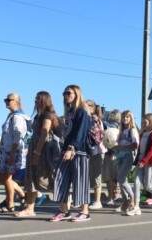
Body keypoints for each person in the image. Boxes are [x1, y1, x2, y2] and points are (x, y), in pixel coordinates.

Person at [15, 91, 60, 217]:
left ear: (44, 100)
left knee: (46, 178)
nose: (35, 100)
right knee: (32, 179)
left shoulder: (47, 115)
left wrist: (36, 152)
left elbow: (44, 134)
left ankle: (65, 203)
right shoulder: (38, 115)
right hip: (35, 148)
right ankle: (30, 209)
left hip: (43, 150)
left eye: (37, 98)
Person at [50, 85, 92, 222]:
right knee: (60, 178)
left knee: (81, 181)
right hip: (66, 149)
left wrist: (72, 148)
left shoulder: (81, 111)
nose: (65, 95)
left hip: (79, 151)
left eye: (68, 93)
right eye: (64, 93)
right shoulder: (69, 112)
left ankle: (85, 212)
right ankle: (64, 210)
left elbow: (80, 132)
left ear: (77, 94)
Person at [0, 92, 28, 213]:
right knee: (1, 177)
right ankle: (21, 194)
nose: (7, 102)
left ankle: (10, 203)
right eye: (6, 100)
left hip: (12, 151)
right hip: (6, 151)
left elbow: (18, 137)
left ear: (17, 102)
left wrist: (13, 154)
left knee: (7, 178)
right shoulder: (11, 115)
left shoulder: (18, 117)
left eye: (9, 100)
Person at [112, 110, 139, 213]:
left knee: (121, 177)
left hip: (128, 155)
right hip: (120, 156)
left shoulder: (132, 130)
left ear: (131, 118)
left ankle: (132, 198)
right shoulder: (121, 130)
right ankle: (125, 202)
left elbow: (135, 145)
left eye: (127, 117)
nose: (125, 119)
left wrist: (122, 146)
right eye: (123, 117)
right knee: (122, 180)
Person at [85, 100, 105, 210]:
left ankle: (97, 201)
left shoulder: (94, 119)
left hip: (95, 151)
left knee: (96, 177)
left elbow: (93, 137)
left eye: (86, 105)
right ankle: (88, 200)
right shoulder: (92, 119)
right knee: (88, 177)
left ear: (92, 108)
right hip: (92, 151)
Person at [102, 109, 120, 205]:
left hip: (109, 153)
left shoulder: (105, 125)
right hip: (119, 154)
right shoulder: (121, 127)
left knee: (108, 177)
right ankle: (115, 192)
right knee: (115, 177)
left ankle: (110, 196)